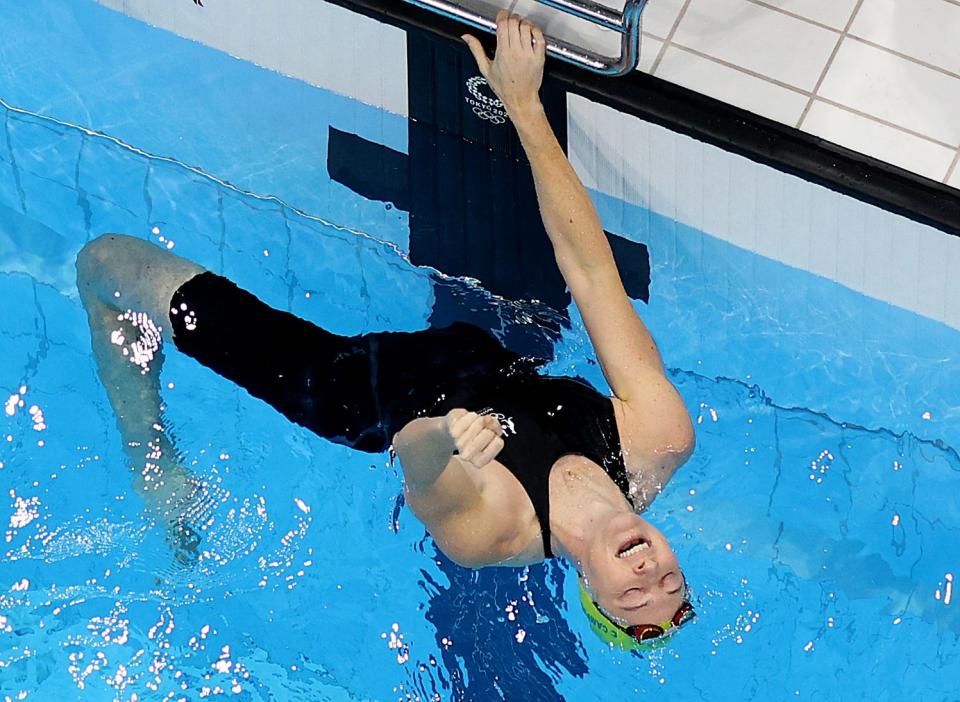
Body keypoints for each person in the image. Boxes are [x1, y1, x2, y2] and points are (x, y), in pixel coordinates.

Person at [76, 11, 695, 650]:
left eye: (632, 595)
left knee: (105, 262)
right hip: (481, 352)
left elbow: (416, 463)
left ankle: (149, 456)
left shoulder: (491, 534)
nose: (650, 573)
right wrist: (523, 105)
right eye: (671, 581)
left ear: (590, 592)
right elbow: (591, 271)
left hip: (363, 390)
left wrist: (445, 438)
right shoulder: (658, 439)